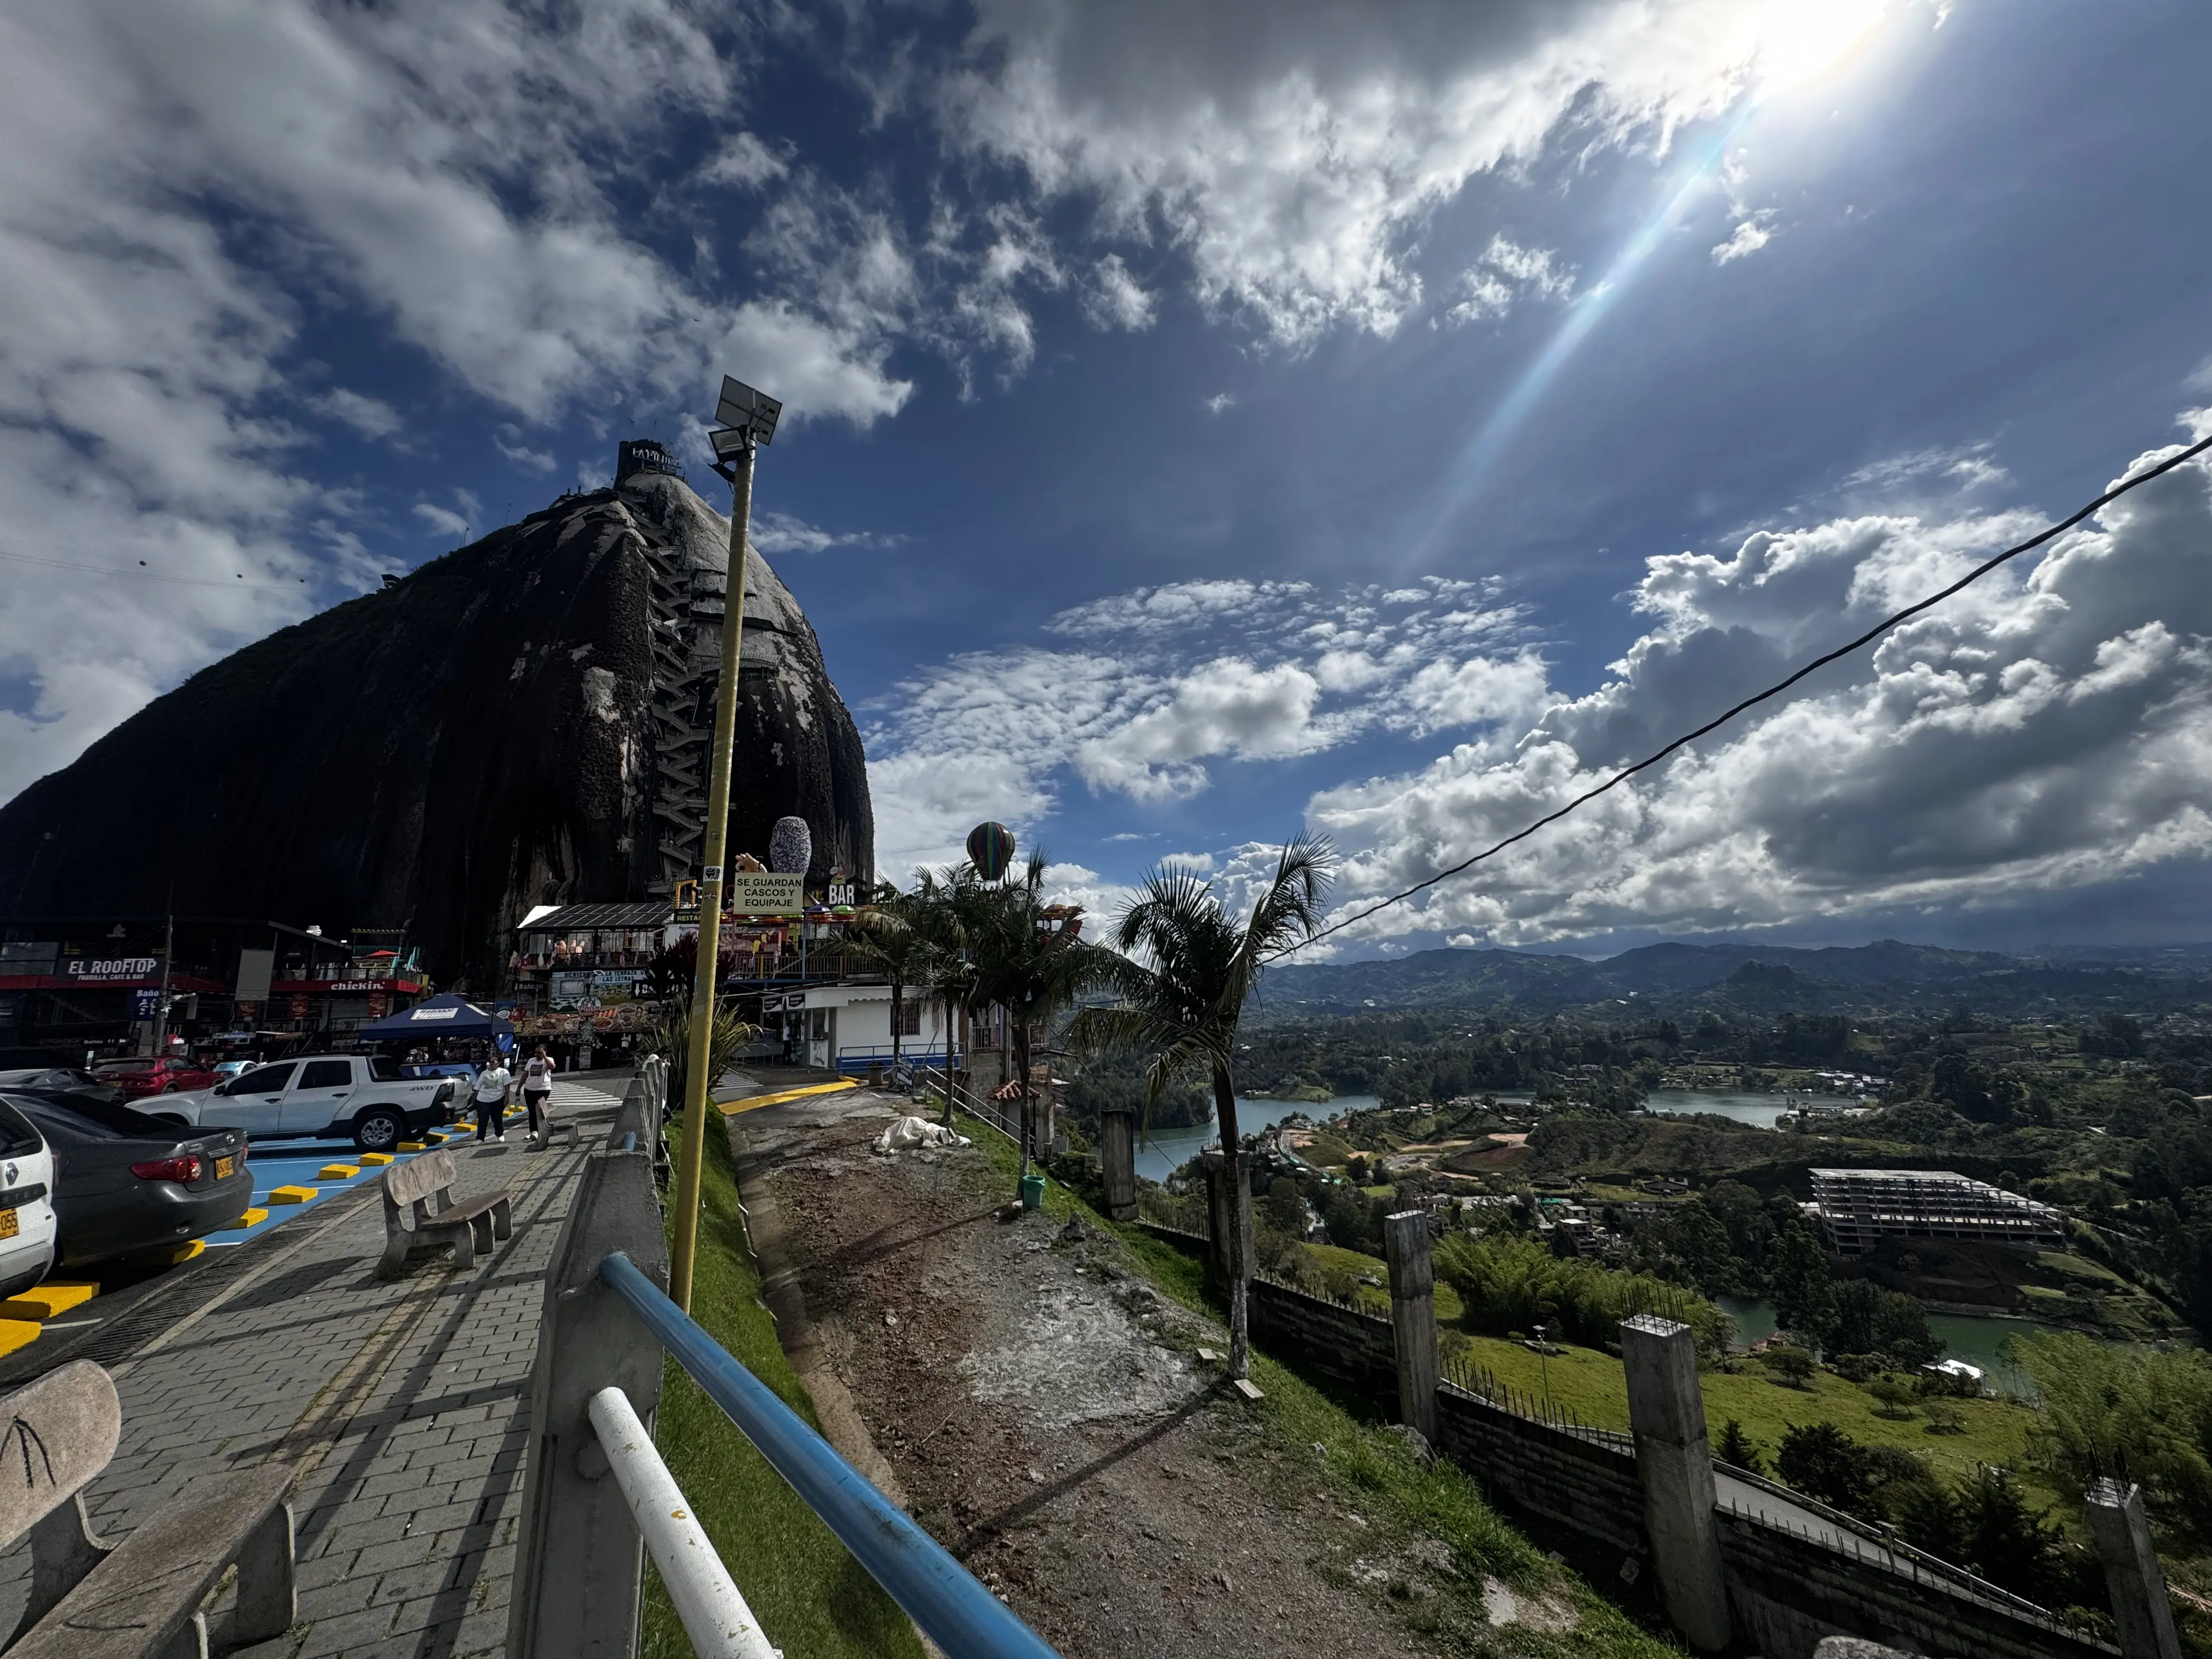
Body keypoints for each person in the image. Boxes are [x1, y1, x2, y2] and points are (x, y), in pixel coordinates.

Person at [472, 1055, 514, 1143]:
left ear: (499, 1063)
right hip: (483, 1100)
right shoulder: (484, 1073)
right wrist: (474, 1098)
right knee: (483, 1120)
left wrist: (507, 1097)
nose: (491, 1064)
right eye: (490, 1062)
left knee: (497, 1118)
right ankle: (480, 1138)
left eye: (493, 1062)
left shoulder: (503, 1072)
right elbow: (478, 1086)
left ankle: (500, 1134)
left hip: (497, 1099)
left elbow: (507, 1085)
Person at [519, 1045, 556, 1140]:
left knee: (540, 1110)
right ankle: (534, 1131)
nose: (537, 1054)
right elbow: (526, 1074)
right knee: (532, 1111)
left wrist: (545, 1057)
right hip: (530, 1089)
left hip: (543, 1089)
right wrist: (519, 1087)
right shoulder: (531, 1061)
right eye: (536, 1052)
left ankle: (543, 1130)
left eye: (540, 1052)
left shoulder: (549, 1059)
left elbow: (552, 1067)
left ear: (545, 1052)